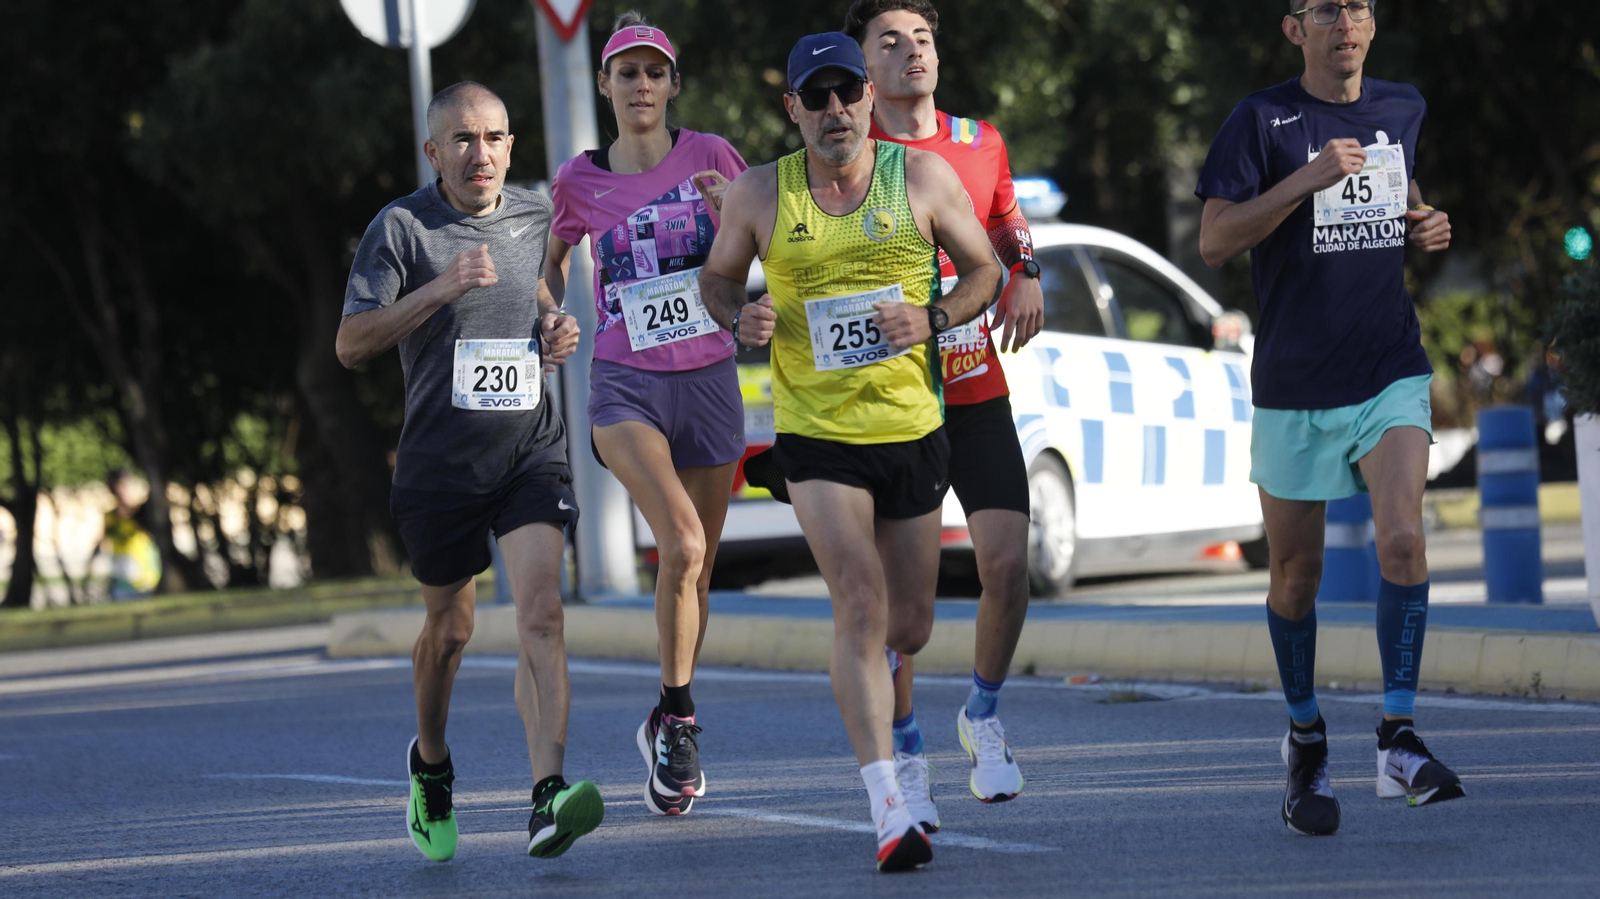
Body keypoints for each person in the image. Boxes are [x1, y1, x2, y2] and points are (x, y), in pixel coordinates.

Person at [700, 34, 1003, 872]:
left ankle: (904, 729)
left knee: (909, 621)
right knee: (860, 606)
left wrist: (934, 318)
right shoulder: (763, 192)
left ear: (869, 97)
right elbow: (717, 279)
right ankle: (887, 803)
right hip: (816, 433)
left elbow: (985, 274)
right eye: (816, 97)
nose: (835, 111)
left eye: (847, 93)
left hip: (909, 425)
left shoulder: (926, 179)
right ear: (791, 108)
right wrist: (740, 316)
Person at [1195, 0, 1462, 837]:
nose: (1343, 22)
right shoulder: (1260, 120)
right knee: (1294, 578)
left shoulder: (1402, 107)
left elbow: (1400, 194)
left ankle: (1397, 734)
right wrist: (1305, 179)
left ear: (1372, 24)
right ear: (1293, 29)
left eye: (1356, 7)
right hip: (1295, 382)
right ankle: (1306, 736)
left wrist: (1424, 222)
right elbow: (1214, 240)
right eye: (1324, 10)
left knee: (1404, 540)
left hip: (1388, 368)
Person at [336, 81, 602, 862]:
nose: (479, 153)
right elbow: (351, 344)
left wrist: (554, 326)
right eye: (461, 139)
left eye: (493, 137)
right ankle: (430, 764)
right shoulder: (402, 228)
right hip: (439, 465)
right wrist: (442, 287)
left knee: (543, 613)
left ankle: (548, 794)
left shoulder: (533, 215)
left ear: (511, 146)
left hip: (529, 449)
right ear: (433, 152)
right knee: (450, 632)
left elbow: (542, 290)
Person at [541, 12, 748, 819]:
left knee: (694, 570)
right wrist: (549, 313)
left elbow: (760, 252)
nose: (640, 87)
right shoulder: (577, 181)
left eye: (653, 73)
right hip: (624, 386)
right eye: (626, 73)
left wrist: (738, 215)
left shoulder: (713, 157)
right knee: (683, 541)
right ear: (605, 85)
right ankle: (685, 721)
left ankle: (668, 709)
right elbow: (550, 267)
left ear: (671, 85)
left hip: (708, 382)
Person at [845, 0, 1045, 830]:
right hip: (895, 401)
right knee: (906, 615)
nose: (911, 53)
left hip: (972, 385)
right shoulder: (849, 153)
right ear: (863, 68)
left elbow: (1003, 219)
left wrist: (1026, 270)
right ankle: (908, 752)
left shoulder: (981, 139)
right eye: (889, 42)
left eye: (921, 38)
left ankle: (984, 714)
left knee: (1007, 562)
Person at [99, 470, 162, 600]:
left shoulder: (143, 514)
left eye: (123, 485)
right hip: (122, 582)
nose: (119, 490)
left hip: (145, 580)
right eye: (115, 486)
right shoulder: (110, 517)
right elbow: (104, 542)